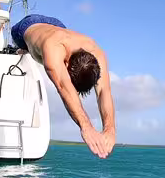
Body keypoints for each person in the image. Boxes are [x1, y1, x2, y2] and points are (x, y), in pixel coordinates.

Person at [11, 14, 116, 159]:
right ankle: (22, 49)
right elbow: (64, 87)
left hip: (57, 26)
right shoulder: (52, 49)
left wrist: (110, 129)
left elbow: (104, 90)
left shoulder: (96, 52)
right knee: (31, 49)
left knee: (50, 49)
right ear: (65, 64)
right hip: (26, 28)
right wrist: (86, 127)